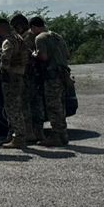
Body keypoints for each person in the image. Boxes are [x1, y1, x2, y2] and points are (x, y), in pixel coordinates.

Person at [30, 15, 72, 147]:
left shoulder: (40, 38)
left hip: (51, 76)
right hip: (63, 75)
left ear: (34, 27)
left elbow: (43, 57)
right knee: (60, 106)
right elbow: (67, 55)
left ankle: (56, 136)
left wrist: (34, 54)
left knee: (53, 107)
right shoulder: (57, 36)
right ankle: (63, 135)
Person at [0, 15, 37, 147]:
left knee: (12, 108)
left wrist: (1, 72)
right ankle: (13, 135)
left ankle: (19, 137)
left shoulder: (8, 41)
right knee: (17, 107)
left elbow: (5, 60)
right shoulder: (19, 38)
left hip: (11, 78)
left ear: (1, 28)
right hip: (20, 75)